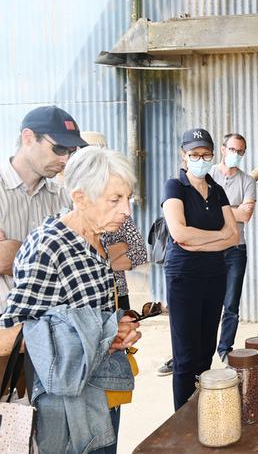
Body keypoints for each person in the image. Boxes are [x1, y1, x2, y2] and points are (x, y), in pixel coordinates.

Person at [1, 146, 142, 454]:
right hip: (67, 409)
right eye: (115, 200)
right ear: (80, 198)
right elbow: (9, 337)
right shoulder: (48, 247)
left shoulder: (99, 237)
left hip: (102, 389)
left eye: (128, 198)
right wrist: (97, 333)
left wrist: (117, 328)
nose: (127, 211)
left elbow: (85, 313)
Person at [161, 128, 239, 410]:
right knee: (185, 355)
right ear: (184, 155)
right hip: (184, 276)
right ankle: (181, 417)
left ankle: (201, 411)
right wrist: (218, 237)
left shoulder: (217, 191)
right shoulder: (175, 187)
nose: (200, 159)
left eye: (205, 155)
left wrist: (201, 240)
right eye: (194, 154)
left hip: (215, 275)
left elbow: (234, 236)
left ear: (213, 155)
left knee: (206, 350)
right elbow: (179, 233)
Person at [0, 106, 83, 313]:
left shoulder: (65, 197)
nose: (65, 160)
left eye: (71, 152)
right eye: (59, 148)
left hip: (52, 323)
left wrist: (17, 253)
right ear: (28, 138)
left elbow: (85, 260)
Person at [81, 131, 147, 311]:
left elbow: (140, 252)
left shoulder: (120, 208)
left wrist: (98, 261)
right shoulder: (64, 202)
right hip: (84, 299)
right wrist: (120, 248)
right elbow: (80, 260)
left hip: (117, 290)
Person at [209, 133, 257, 360]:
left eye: (240, 151)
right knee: (206, 301)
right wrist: (232, 210)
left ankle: (224, 349)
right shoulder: (208, 175)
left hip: (236, 249)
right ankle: (203, 348)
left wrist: (216, 209)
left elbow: (246, 215)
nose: (235, 155)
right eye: (232, 150)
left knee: (231, 305)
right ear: (222, 149)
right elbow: (200, 211)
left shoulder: (248, 181)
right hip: (209, 247)